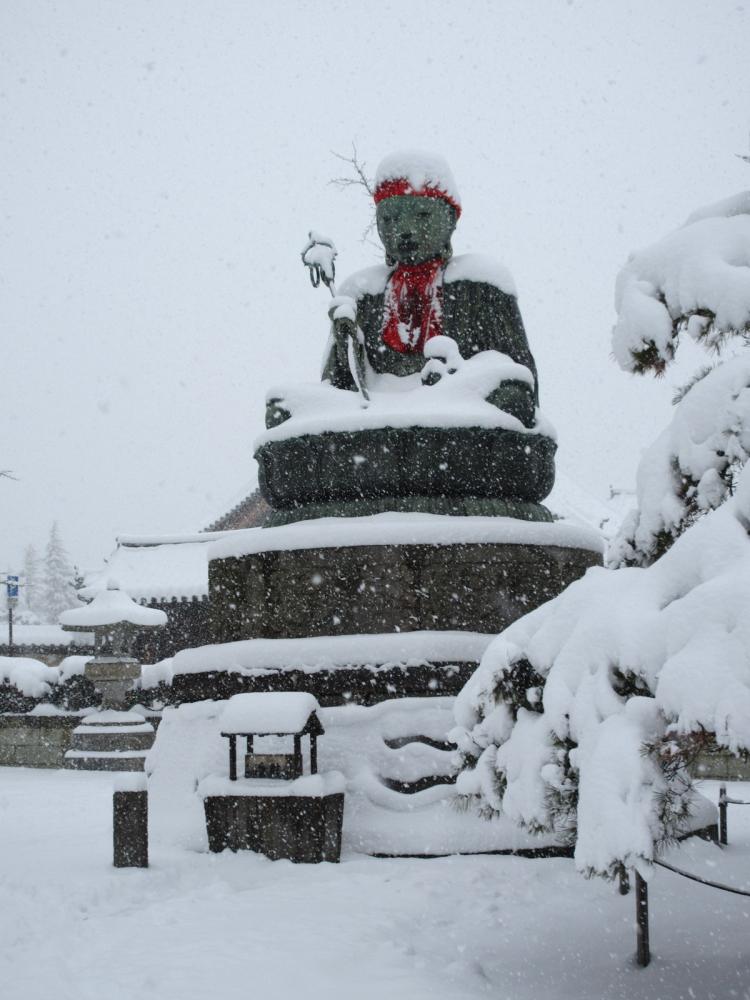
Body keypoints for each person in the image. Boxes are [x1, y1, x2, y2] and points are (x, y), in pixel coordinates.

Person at [322, 150, 539, 427]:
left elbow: (518, 377)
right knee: (283, 407)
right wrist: (346, 348)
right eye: (389, 219)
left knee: (512, 397)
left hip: (458, 416)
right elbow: (336, 389)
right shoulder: (361, 293)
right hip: (377, 417)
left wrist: (460, 376)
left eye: (422, 215)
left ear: (450, 220)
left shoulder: (479, 284)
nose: (405, 229)